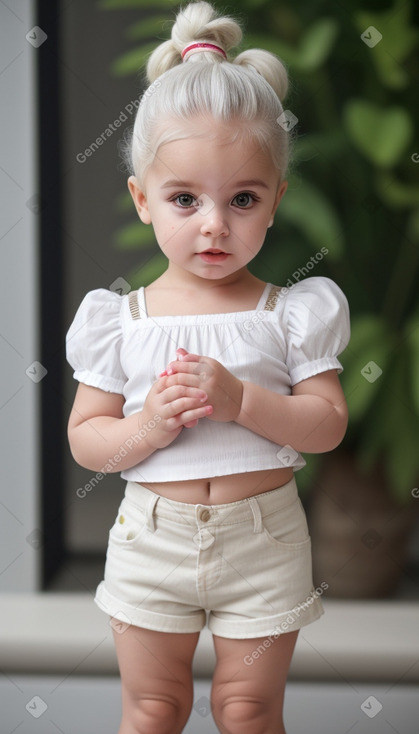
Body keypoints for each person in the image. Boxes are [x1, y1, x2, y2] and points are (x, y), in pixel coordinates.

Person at [66, 2, 350, 732]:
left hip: (263, 540)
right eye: (184, 199)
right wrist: (149, 426)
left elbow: (323, 425)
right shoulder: (120, 319)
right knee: (154, 708)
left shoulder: (290, 312)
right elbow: (88, 439)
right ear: (142, 200)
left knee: (247, 708)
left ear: (275, 203)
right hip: (150, 540)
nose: (214, 223)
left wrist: (242, 402)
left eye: (242, 199)